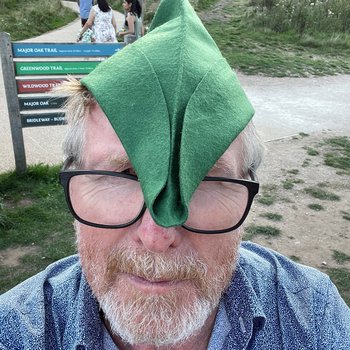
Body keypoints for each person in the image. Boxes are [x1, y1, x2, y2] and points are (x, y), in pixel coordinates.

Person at [1, 0, 350, 349]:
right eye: (124, 174)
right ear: (73, 175)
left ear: (250, 184)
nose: (157, 237)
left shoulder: (314, 317)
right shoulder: (15, 329)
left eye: (202, 180)